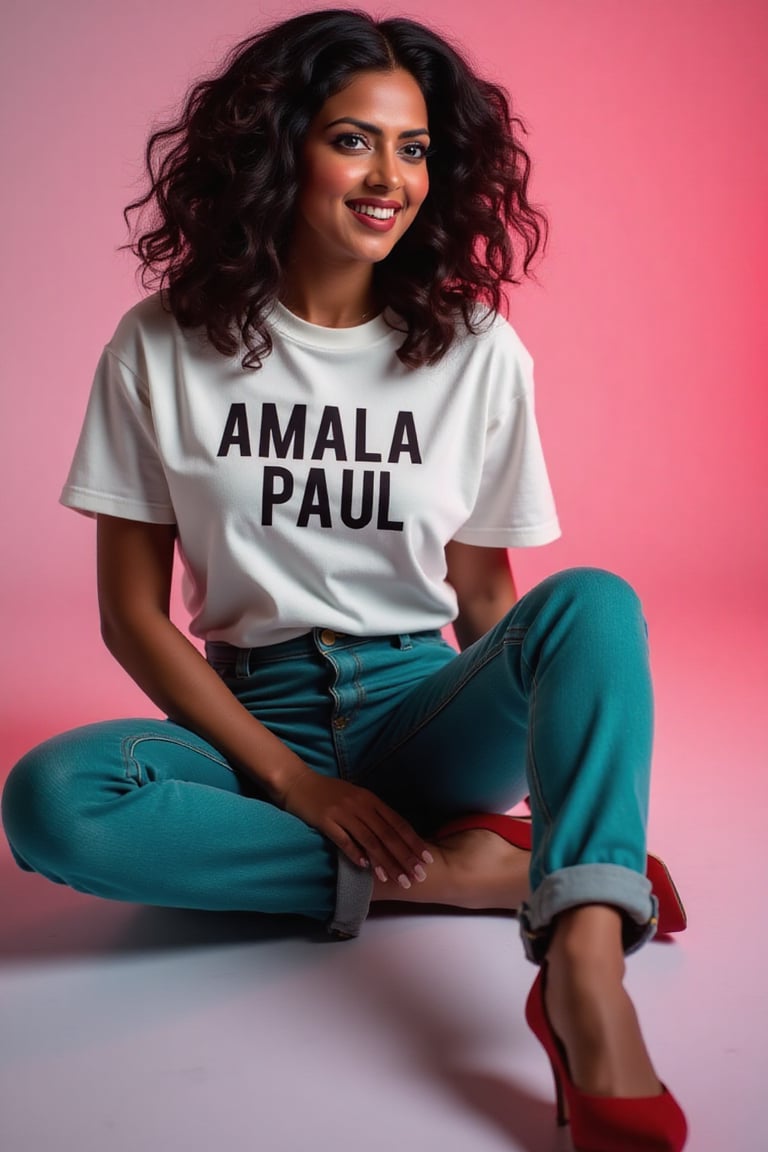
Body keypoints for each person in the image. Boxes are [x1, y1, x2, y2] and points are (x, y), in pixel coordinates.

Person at [1, 9, 688, 1149]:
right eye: (353, 139)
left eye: (414, 148)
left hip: (421, 705)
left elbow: (484, 595)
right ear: (279, 147)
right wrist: (293, 781)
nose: (391, 177)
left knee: (597, 603)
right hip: (247, 718)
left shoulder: (474, 348)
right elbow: (132, 615)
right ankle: (470, 874)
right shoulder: (160, 345)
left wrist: (523, 712)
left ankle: (582, 964)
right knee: (53, 802)